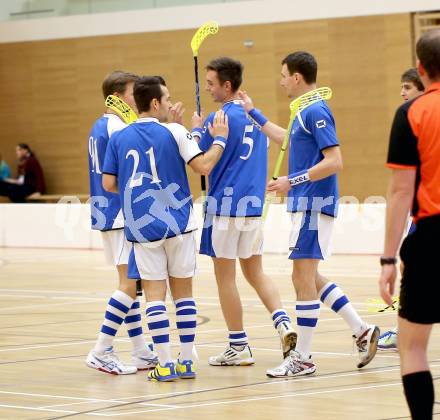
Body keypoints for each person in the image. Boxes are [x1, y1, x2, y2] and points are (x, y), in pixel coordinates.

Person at [238, 51, 379, 378]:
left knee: (301, 278)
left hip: (313, 203)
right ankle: (362, 330)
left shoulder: (315, 110)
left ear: (297, 77)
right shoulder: (302, 111)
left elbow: (335, 161)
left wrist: (292, 180)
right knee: (310, 279)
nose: (281, 80)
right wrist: (254, 114)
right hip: (305, 204)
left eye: (284, 74)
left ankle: (302, 357)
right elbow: (286, 141)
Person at [102, 76, 229, 381]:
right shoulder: (174, 131)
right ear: (155, 103)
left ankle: (165, 364)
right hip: (180, 224)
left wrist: (137, 189)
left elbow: (108, 184)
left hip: (142, 227)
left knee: (154, 297)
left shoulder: (119, 136)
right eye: (168, 99)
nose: (172, 104)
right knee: (184, 295)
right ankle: (186, 362)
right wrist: (220, 139)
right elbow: (204, 166)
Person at [191, 57, 297, 367]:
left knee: (226, 277)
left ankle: (238, 345)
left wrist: (197, 129)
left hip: (224, 207)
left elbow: (198, 157)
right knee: (255, 272)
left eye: (211, 84)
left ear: (227, 85)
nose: (208, 89)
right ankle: (283, 323)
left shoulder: (218, 118)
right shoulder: (254, 116)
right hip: (253, 207)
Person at [379, 29, 440, 419]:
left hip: (432, 238)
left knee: (413, 345)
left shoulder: (412, 113)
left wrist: (388, 260)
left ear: (420, 68)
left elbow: (402, 192)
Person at [85, 70, 157, 375]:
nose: (135, 98)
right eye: (131, 92)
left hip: (108, 211)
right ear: (116, 97)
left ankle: (140, 351)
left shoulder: (100, 125)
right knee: (128, 285)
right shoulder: (116, 127)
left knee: (132, 285)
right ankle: (101, 350)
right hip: (118, 211)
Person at [378, 68, 424, 352]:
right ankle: (402, 327)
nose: (402, 92)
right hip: (420, 208)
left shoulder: (414, 116)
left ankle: (404, 329)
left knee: (411, 266)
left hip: (427, 210)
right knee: (411, 265)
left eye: (407, 86)